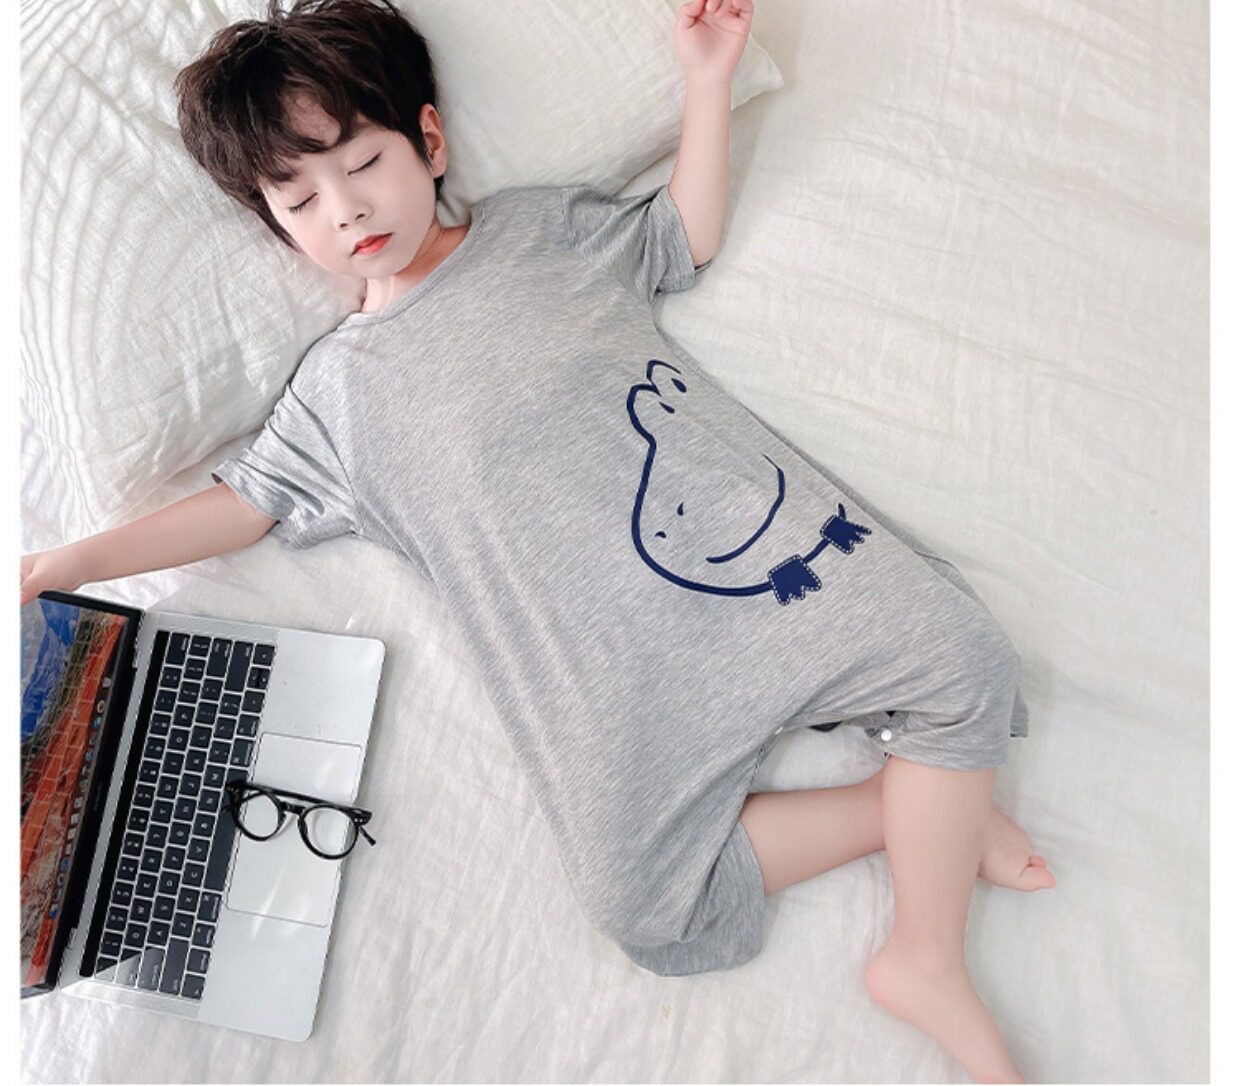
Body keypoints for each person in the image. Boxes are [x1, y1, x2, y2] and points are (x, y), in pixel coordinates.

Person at [19, 0, 1054, 1080]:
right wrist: (67, 563)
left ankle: (923, 955)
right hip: (602, 674)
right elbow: (244, 502)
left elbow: (680, 235)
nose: (346, 209)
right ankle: (922, 809)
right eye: (301, 200)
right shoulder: (334, 396)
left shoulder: (539, 233)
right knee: (647, 909)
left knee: (964, 659)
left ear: (428, 141)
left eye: (363, 163)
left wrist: (707, 81)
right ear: (277, 228)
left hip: (756, 573)